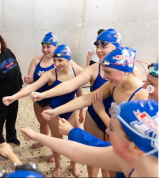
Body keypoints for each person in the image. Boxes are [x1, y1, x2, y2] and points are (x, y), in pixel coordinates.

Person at [31, 29, 143, 177]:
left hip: (117, 130)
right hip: (98, 120)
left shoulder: (138, 94)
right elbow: (83, 96)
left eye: (108, 72)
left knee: (111, 167)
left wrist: (101, 112)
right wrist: (52, 107)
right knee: (95, 158)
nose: (98, 51)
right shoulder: (110, 83)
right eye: (97, 46)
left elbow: (129, 144)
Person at [20, 99, 158, 178]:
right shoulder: (131, 155)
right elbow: (77, 151)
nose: (106, 130)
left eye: (112, 129)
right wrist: (36, 136)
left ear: (135, 147)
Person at [3, 44, 84, 177]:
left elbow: (80, 91)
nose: (56, 64)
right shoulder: (50, 74)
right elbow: (32, 87)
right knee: (56, 142)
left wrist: (81, 111)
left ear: (68, 59)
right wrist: (14, 97)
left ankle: (73, 165)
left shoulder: (77, 72)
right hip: (54, 113)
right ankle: (58, 166)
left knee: (73, 140)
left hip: (71, 112)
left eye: (60, 60)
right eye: (55, 60)